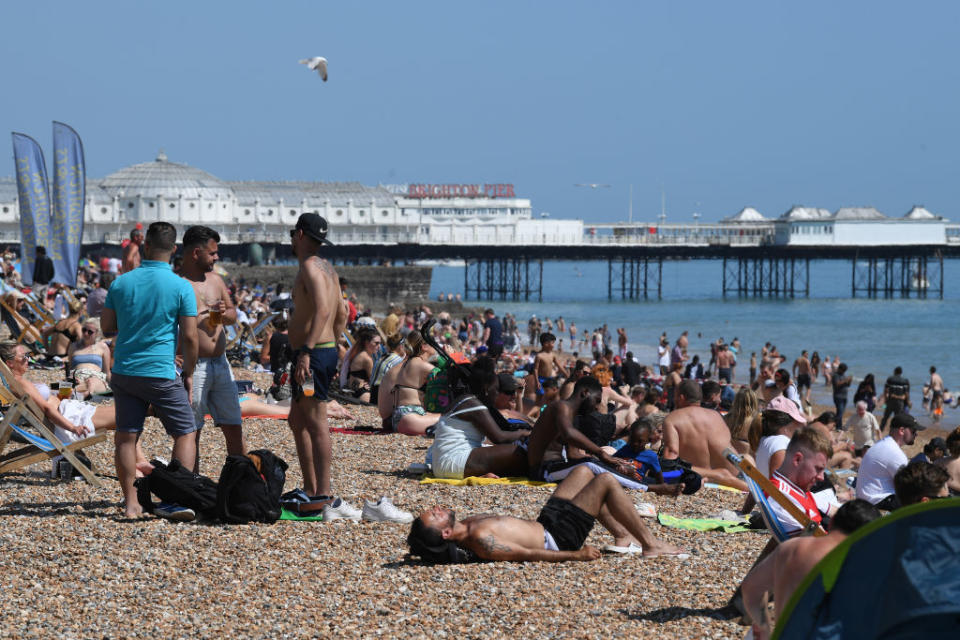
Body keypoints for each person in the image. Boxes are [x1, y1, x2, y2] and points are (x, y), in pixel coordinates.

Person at [101, 221, 199, 519]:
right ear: (175, 250)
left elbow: (107, 327)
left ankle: (132, 504)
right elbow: (191, 336)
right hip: (159, 370)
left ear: (145, 246)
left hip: (126, 369)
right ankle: (173, 500)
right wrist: (189, 372)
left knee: (126, 437)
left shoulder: (121, 283)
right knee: (185, 432)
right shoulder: (181, 285)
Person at [407, 464, 688, 563]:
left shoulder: (468, 525)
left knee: (583, 471)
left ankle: (622, 535)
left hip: (545, 524)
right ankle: (651, 545)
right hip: (558, 539)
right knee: (605, 483)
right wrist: (575, 555)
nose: (435, 508)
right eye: (433, 515)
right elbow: (527, 554)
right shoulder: (480, 540)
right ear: (445, 533)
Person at [286, 213, 354, 516]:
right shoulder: (328, 268)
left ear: (299, 234)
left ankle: (323, 494)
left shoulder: (310, 268)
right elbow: (342, 312)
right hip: (320, 351)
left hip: (311, 355)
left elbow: (326, 309)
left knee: (316, 423)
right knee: (297, 420)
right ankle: (311, 488)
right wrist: (333, 343)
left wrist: (308, 352)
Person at [740, 500, 881, 640]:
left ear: (831, 523)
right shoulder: (852, 562)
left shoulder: (790, 547)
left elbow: (750, 588)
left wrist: (765, 628)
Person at [178, 226, 245, 473]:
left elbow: (232, 312)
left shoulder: (216, 280)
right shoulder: (178, 284)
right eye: (213, 253)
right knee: (191, 430)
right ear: (196, 252)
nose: (217, 258)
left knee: (233, 425)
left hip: (220, 361)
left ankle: (240, 481)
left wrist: (222, 315)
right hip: (193, 364)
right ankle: (191, 484)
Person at [426, 356, 529, 479]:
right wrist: (524, 433)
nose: (496, 395)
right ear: (486, 389)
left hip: (444, 464)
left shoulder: (463, 400)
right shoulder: (473, 405)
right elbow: (499, 437)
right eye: (496, 390)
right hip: (452, 463)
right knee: (519, 453)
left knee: (505, 453)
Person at [661, 380, 747, 490]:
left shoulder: (672, 419)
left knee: (665, 469)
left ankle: (717, 475)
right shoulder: (716, 415)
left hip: (706, 476)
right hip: (737, 473)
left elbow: (671, 458)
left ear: (681, 397)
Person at [856, 413, 924, 510]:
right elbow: (909, 486)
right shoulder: (895, 453)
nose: (916, 434)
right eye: (913, 431)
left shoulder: (882, 444)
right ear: (901, 430)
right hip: (876, 502)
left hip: (865, 498)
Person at [378, 330, 439, 435]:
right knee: (450, 418)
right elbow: (445, 378)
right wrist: (450, 355)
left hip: (393, 418)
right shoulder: (420, 364)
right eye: (433, 341)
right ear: (424, 346)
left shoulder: (402, 366)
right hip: (409, 417)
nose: (436, 344)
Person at [66, 318, 112, 397]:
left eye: (90, 332)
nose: (86, 333)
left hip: (96, 376)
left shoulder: (102, 347)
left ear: (97, 333)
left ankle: (85, 394)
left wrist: (114, 387)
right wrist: (70, 377)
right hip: (78, 375)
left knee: (91, 381)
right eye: (84, 330)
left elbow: (106, 371)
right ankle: (84, 394)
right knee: (78, 382)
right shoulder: (74, 346)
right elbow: (70, 367)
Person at [725, 387, 760, 456]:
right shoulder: (756, 421)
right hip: (746, 461)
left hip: (729, 456)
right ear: (754, 402)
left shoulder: (726, 418)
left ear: (736, 401)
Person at [879, 366, 910, 431]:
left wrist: (885, 399)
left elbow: (886, 390)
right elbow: (906, 393)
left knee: (885, 417)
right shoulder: (905, 381)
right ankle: (894, 432)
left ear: (895, 371)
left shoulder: (890, 379)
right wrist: (908, 402)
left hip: (891, 400)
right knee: (897, 419)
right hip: (900, 402)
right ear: (901, 372)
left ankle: (880, 430)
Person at [831, 363, 852, 428]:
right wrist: (846, 380)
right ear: (839, 369)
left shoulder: (843, 375)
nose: (843, 372)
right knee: (840, 412)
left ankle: (838, 425)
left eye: (844, 371)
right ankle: (837, 426)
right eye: (843, 370)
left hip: (844, 396)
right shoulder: (835, 375)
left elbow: (847, 385)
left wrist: (850, 381)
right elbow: (837, 384)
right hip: (838, 396)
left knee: (841, 412)